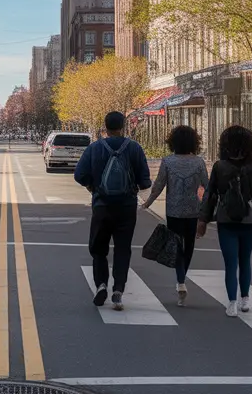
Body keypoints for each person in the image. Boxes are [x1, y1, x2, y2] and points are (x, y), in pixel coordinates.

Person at [74, 110, 151, 311]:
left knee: (99, 248)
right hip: (126, 207)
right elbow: (144, 182)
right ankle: (118, 290)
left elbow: (79, 174)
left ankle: (101, 284)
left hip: (101, 206)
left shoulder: (95, 148)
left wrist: (92, 185)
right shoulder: (134, 148)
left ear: (105, 127)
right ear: (123, 127)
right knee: (123, 249)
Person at [198, 124, 252, 317]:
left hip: (226, 219)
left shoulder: (219, 167)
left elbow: (211, 195)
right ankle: (245, 298)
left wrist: (203, 219)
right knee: (245, 259)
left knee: (230, 263)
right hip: (251, 220)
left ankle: (232, 302)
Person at [142, 125, 209, 306]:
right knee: (189, 247)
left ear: (173, 142)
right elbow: (207, 187)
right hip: (193, 211)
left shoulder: (168, 162)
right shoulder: (199, 163)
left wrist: (148, 203)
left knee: (176, 245)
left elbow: (159, 185)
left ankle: (180, 281)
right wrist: (206, 210)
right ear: (194, 142)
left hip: (173, 211)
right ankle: (181, 279)